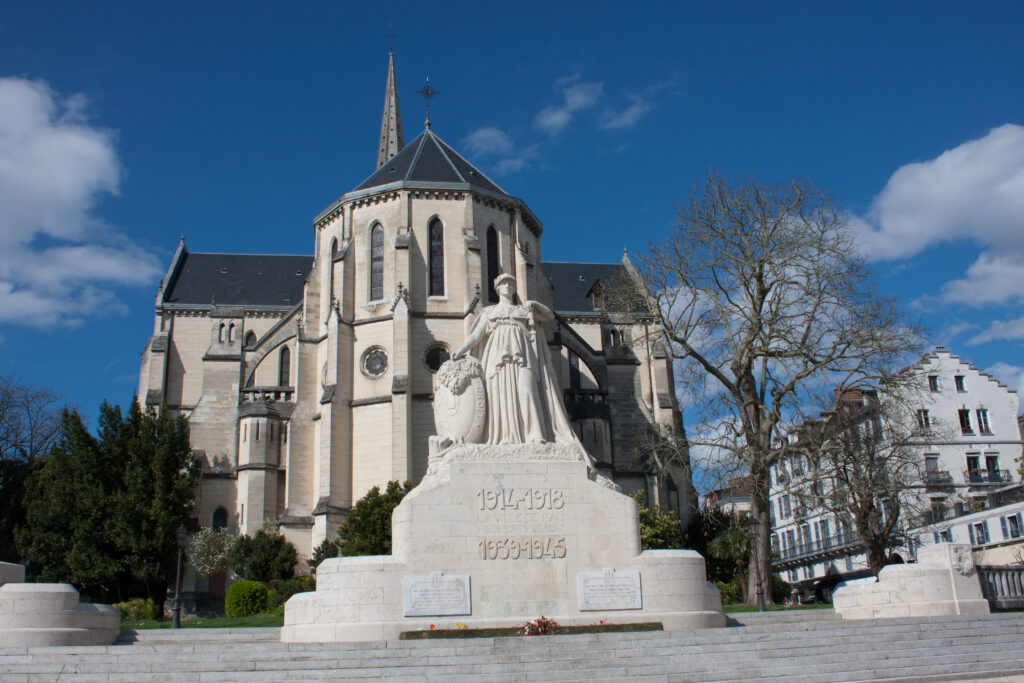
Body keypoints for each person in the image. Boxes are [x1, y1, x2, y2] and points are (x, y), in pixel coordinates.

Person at [452, 274, 582, 450]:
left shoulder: (523, 310)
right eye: (503, 283)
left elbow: (549, 316)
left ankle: (534, 435)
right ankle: (501, 437)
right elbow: (476, 335)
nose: (507, 286)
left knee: (527, 390)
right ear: (497, 288)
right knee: (497, 394)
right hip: (496, 357)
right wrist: (461, 349)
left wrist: (535, 305)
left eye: (510, 284)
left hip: (523, 356)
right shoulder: (489, 312)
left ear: (514, 289)